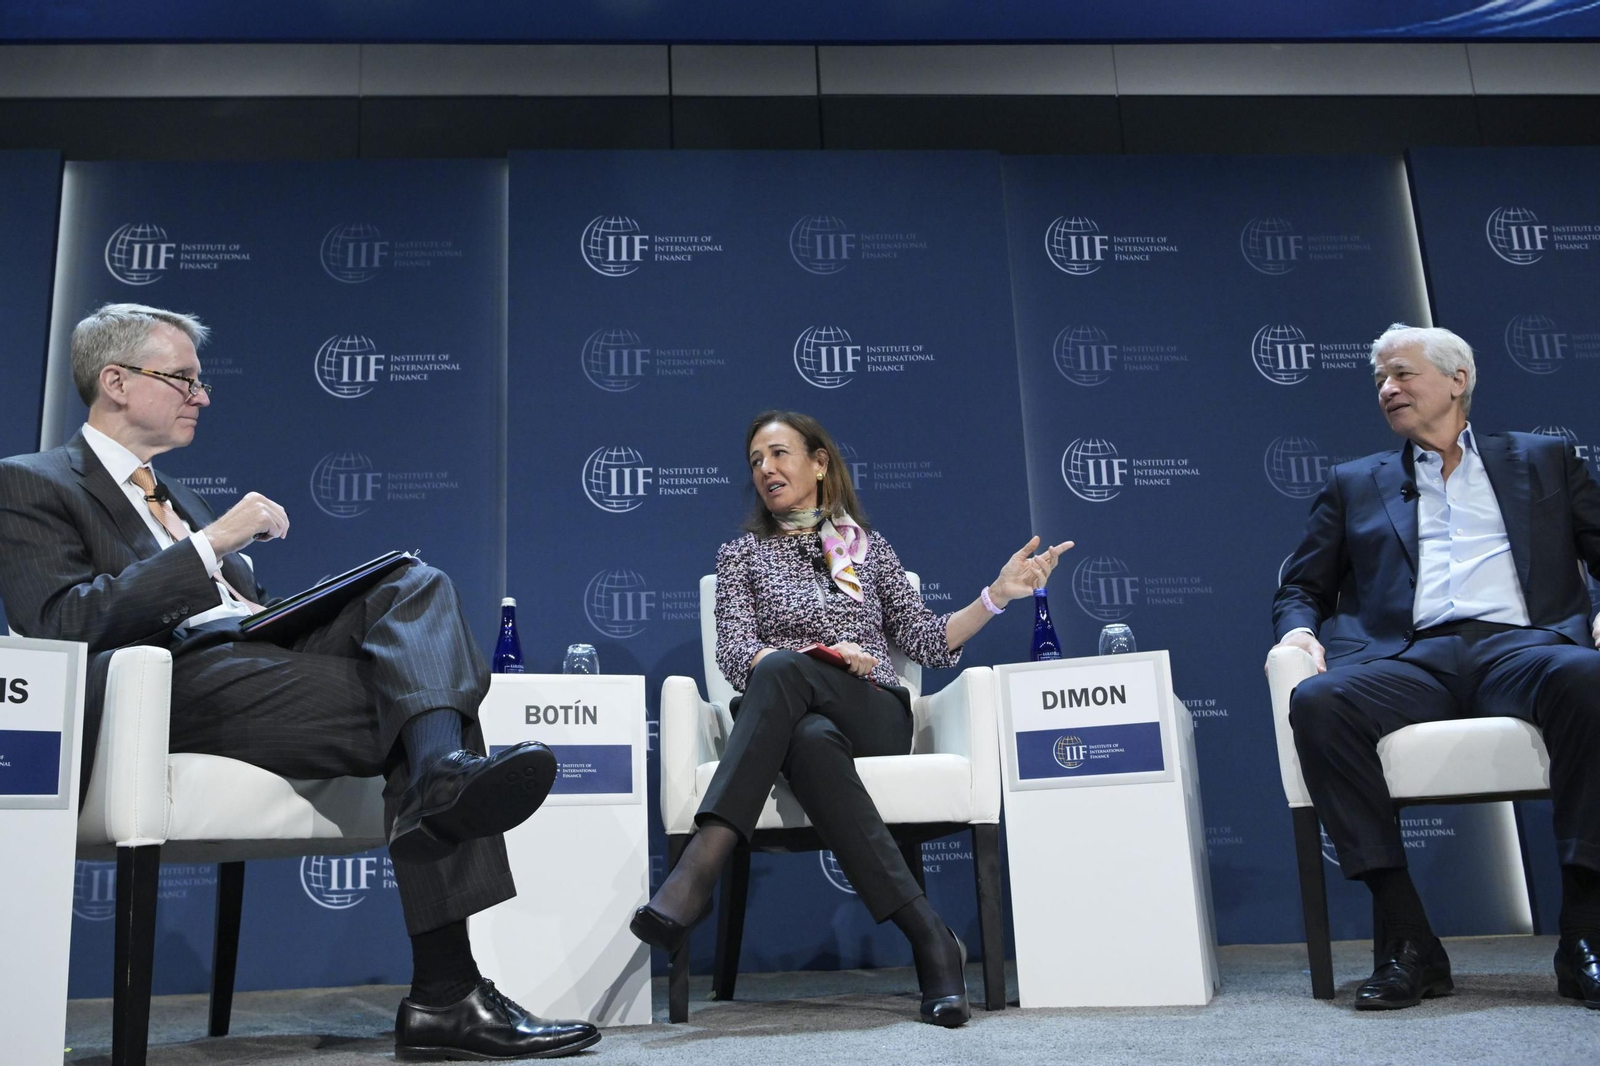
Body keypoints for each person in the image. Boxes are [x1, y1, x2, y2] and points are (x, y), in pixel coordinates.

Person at [0, 304, 600, 1060]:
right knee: (427, 707)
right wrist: (214, 543)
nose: (203, 395)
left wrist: (292, 601)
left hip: (254, 658)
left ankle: (442, 773)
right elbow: (60, 622)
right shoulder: (31, 483)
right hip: (164, 688)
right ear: (116, 382)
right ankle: (447, 989)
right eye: (184, 378)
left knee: (413, 583)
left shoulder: (174, 497)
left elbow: (238, 608)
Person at [629, 409, 1072, 1026]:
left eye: (780, 454)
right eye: (756, 461)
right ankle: (931, 941)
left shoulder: (867, 550)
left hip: (874, 716)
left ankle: (701, 865)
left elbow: (930, 642)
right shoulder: (742, 555)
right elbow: (735, 654)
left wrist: (997, 596)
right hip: (795, 719)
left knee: (783, 671)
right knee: (803, 725)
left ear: (819, 462)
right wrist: (826, 655)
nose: (766, 469)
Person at [1270, 323, 1600, 1011]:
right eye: (1381, 381)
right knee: (1320, 703)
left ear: (1458, 380)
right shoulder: (1356, 482)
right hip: (1408, 656)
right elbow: (1302, 586)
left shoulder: (1544, 459)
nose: (1388, 390)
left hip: (1523, 646)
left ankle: (1583, 934)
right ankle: (1409, 939)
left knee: (1589, 678)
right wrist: (1300, 635)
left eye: (1402, 374)